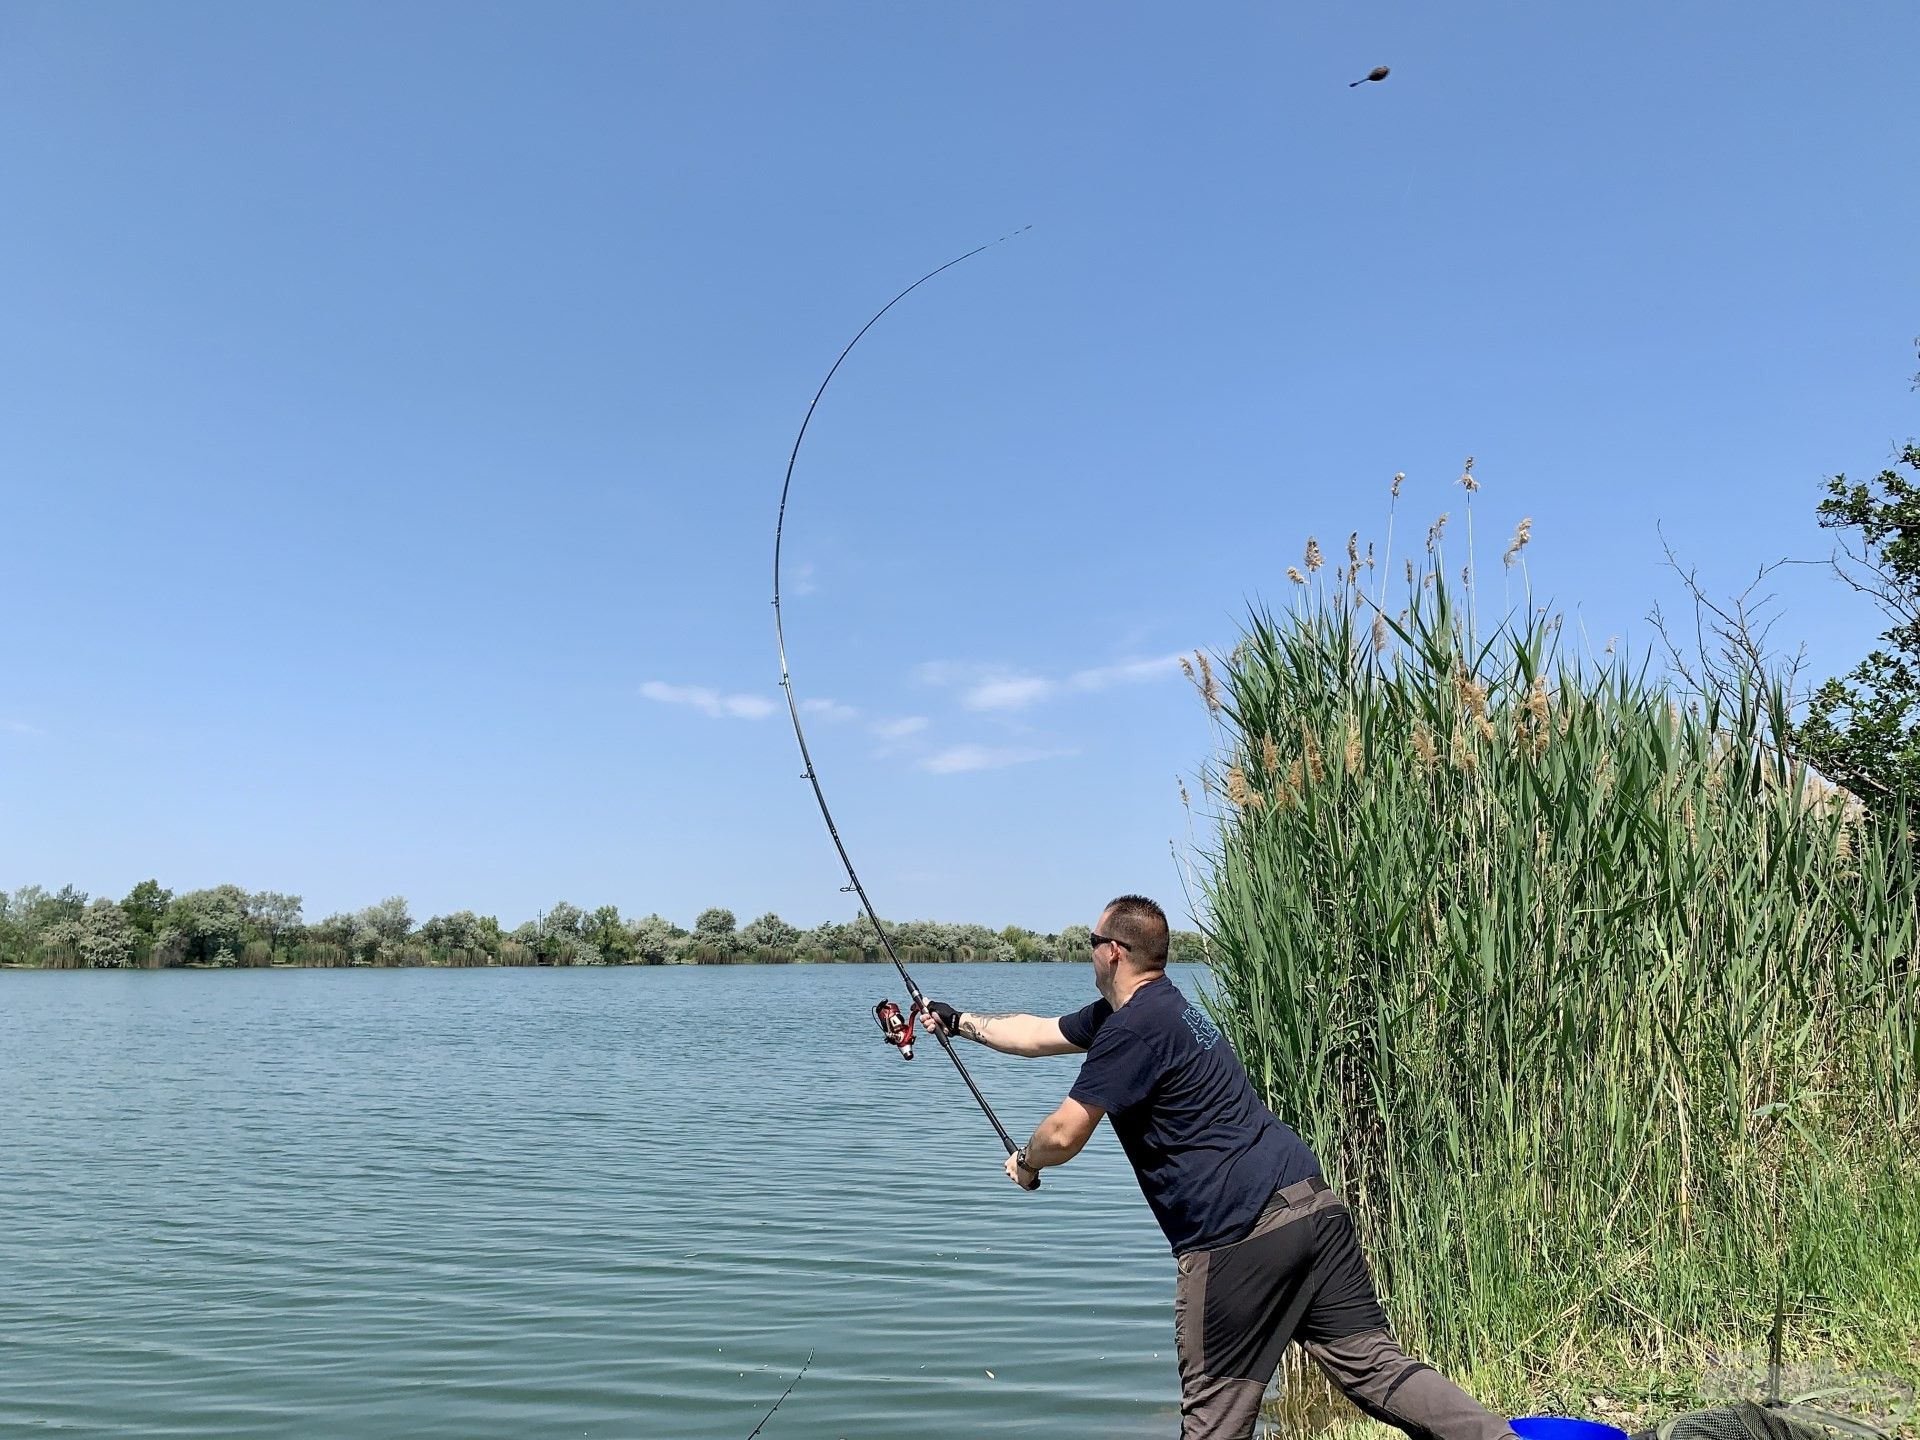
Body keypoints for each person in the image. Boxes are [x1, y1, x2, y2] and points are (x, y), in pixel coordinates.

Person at [918, 894, 1516, 1440]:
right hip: (1309, 1206)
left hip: (1237, 1237)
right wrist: (959, 1021)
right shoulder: (1160, 1008)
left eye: (1090, 941)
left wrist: (1026, 1162)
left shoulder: (1131, 1030)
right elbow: (1038, 1033)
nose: (1089, 951)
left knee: (1213, 1420)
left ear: (1114, 951)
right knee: (1378, 1369)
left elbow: (1064, 1132)